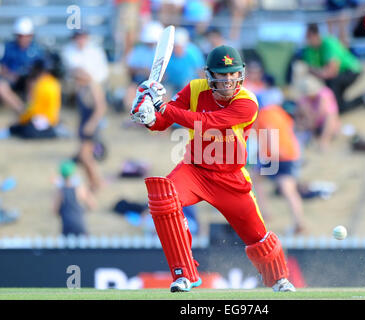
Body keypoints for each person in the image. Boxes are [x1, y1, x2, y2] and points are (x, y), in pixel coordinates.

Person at [129, 45, 296, 292]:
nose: (228, 80)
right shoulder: (195, 89)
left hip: (231, 178)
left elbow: (207, 123)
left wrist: (162, 106)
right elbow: (163, 123)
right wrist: (147, 115)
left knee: (258, 237)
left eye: (232, 74)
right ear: (210, 74)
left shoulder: (248, 102)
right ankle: (184, 275)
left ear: (240, 73)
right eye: (222, 74)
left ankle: (279, 279)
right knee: (163, 196)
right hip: (195, 170)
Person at [251, 80, 307, 235]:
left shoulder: (263, 115)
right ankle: (298, 222)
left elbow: (268, 133)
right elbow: (290, 131)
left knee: (255, 180)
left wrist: (267, 154)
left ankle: (263, 214)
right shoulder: (280, 112)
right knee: (288, 189)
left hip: (277, 155)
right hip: (290, 153)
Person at [61, 29, 108, 192]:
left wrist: (91, 124)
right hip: (84, 126)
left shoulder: (93, 87)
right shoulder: (81, 88)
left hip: (90, 127)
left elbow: (101, 108)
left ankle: (97, 182)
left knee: (85, 157)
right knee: (85, 157)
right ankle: (94, 182)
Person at [302, 23, 365, 114]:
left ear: (315, 35)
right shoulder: (311, 50)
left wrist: (315, 72)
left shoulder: (328, 43)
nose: (307, 40)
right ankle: (361, 99)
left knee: (335, 104)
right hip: (341, 73)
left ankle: (361, 100)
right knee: (335, 101)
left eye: (308, 37)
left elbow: (330, 72)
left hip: (352, 70)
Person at [0, 17, 45, 114]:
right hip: (12, 79)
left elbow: (41, 69)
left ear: (31, 35)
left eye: (26, 35)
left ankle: (32, 109)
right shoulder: (8, 48)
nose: (23, 38)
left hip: (30, 80)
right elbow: (2, 67)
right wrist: (10, 75)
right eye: (20, 35)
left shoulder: (37, 50)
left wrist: (32, 75)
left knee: (32, 83)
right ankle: (22, 110)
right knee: (1, 87)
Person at [8, 59, 61, 139]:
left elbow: (35, 110)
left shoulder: (42, 85)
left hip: (42, 121)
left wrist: (23, 118)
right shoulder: (53, 82)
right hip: (51, 120)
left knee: (19, 129)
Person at [291, 76, 341, 152]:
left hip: (325, 124)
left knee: (330, 116)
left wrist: (311, 120)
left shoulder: (325, 93)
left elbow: (323, 111)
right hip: (311, 123)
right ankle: (308, 137)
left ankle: (324, 141)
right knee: (301, 112)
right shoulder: (304, 98)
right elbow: (299, 112)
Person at [124, 21, 163, 111]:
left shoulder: (163, 53)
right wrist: (141, 70)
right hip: (139, 81)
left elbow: (166, 74)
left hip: (157, 84)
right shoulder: (138, 50)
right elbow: (129, 69)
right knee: (130, 94)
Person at [54, 160, 96, 236]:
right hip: (80, 225)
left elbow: (55, 210)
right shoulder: (80, 189)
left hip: (66, 225)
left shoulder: (60, 191)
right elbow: (92, 205)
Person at [164, 28, 206, 95]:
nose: (176, 49)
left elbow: (201, 72)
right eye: (174, 47)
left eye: (178, 47)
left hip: (190, 83)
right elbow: (164, 74)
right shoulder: (168, 54)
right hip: (171, 83)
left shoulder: (193, 53)